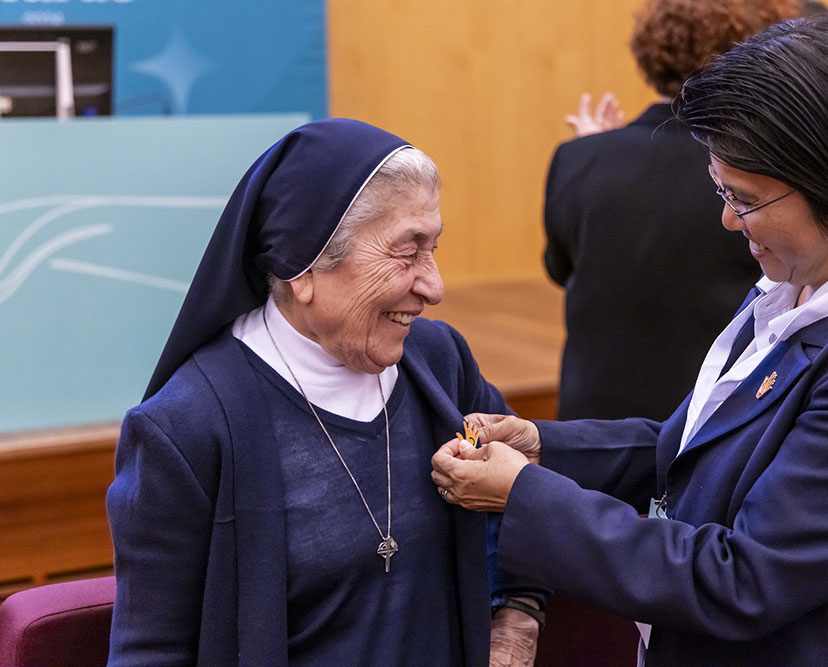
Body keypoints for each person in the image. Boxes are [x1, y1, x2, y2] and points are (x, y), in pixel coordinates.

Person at [432, 18, 828, 665]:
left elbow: (745, 580)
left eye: (743, 198)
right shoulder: (812, 272)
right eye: (722, 190)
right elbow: (701, 449)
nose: (726, 218)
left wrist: (524, 494)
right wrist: (546, 446)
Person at [106, 119, 543, 666]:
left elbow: (526, 506)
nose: (434, 285)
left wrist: (516, 623)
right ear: (300, 269)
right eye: (407, 254)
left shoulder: (440, 362)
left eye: (434, 248)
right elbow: (152, 653)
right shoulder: (187, 427)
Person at [544, 0, 801, 420]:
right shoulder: (763, 168)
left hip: (591, 423)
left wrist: (598, 151)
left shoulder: (578, 157)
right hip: (709, 418)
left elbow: (561, 270)